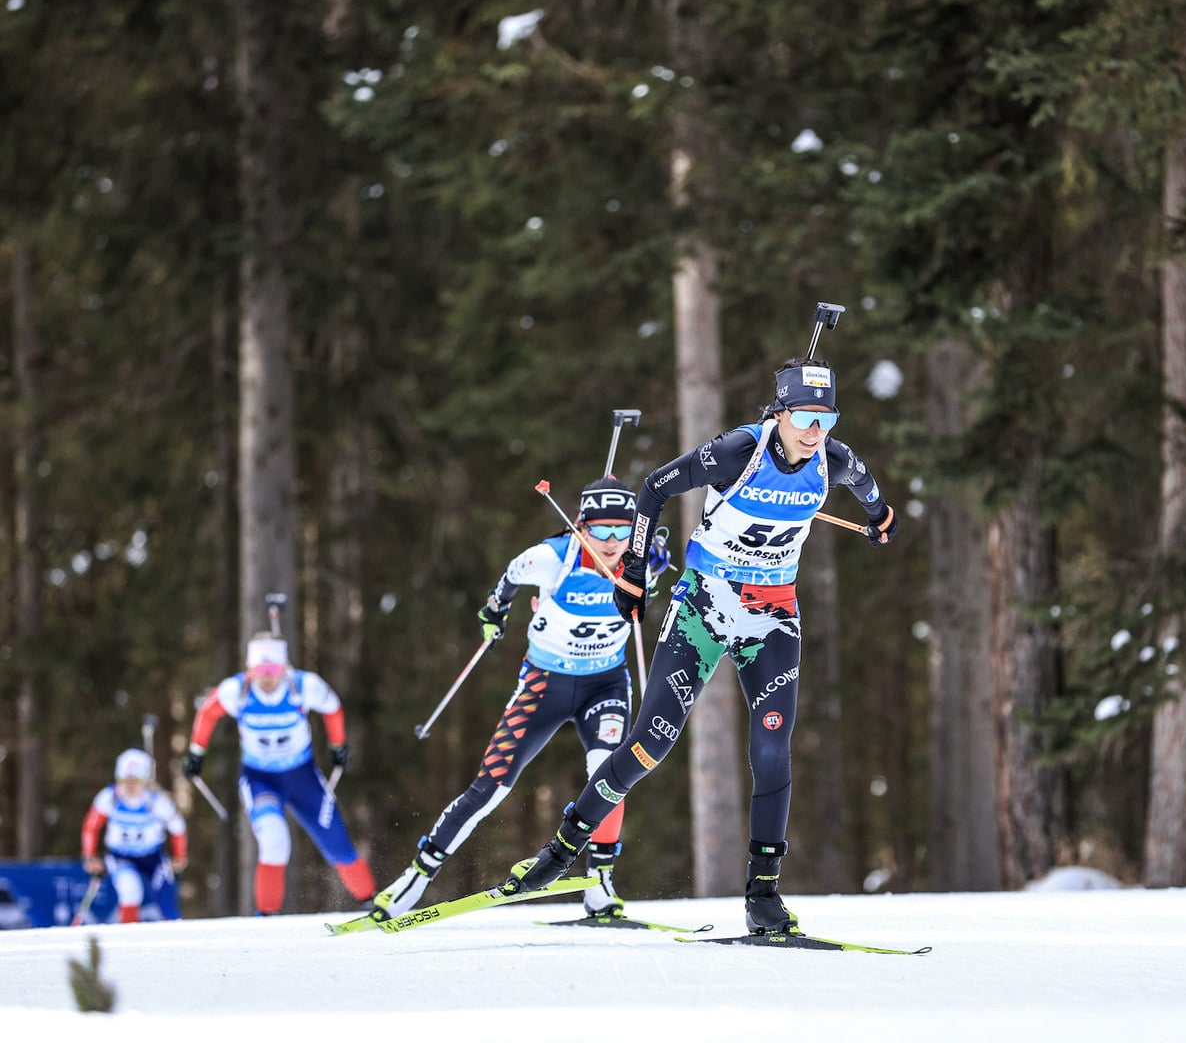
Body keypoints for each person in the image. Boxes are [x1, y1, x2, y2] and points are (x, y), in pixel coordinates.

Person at [501, 356, 897, 934]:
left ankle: (763, 895)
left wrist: (879, 515)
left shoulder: (832, 459)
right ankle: (559, 853)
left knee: (771, 747)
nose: (816, 432)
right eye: (806, 418)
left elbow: (867, 485)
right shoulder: (739, 451)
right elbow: (654, 487)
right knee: (649, 745)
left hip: (772, 618)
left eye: (827, 418)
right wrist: (634, 568)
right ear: (780, 413)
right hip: (703, 611)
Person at [369, 476, 667, 922]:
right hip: (543, 685)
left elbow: (666, 572)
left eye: (622, 531)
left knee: (607, 774)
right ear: (580, 527)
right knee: (490, 785)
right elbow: (507, 580)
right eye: (600, 530)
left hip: (605, 684)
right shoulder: (550, 558)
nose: (611, 542)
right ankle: (414, 878)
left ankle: (601, 886)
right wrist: (496, 612)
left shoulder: (646, 558)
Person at [183, 632, 376, 915]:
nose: (267, 677)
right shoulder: (236, 690)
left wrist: (338, 745)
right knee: (274, 841)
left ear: (284, 666)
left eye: (273, 669)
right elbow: (208, 712)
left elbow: (333, 708)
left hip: (302, 777)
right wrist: (195, 753)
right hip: (260, 779)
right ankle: (267, 918)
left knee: (338, 845)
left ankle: (371, 902)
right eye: (260, 670)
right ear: (250, 669)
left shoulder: (303, 686)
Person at [79, 748, 188, 923]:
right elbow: (91, 827)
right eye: (124, 780)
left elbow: (178, 827)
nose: (129, 786)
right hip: (121, 856)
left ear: (145, 781)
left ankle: (178, 937)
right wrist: (89, 856)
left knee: (167, 899)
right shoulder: (109, 797)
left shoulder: (156, 800)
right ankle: (129, 938)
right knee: (130, 890)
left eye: (135, 781)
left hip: (153, 857)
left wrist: (179, 856)